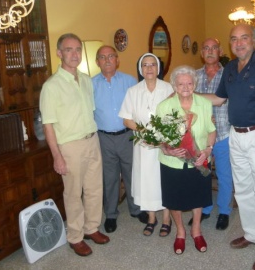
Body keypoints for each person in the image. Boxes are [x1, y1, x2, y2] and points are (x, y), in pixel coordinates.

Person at [203, 24, 255, 270]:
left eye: (244, 38)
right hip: (236, 135)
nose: (239, 43)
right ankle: (251, 234)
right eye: (234, 39)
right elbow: (218, 99)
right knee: (244, 190)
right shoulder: (229, 68)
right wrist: (186, 95)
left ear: (253, 40)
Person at [40, 33, 109, 257]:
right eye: (69, 50)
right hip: (69, 146)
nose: (74, 54)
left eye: (78, 49)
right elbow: (48, 125)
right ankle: (76, 237)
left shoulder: (86, 80)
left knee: (94, 189)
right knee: (73, 193)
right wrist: (56, 156)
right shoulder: (51, 86)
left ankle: (91, 228)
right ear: (59, 53)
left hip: (92, 140)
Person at [157, 65, 216, 255]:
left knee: (197, 196)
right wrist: (167, 150)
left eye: (189, 83)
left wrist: (207, 150)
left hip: (198, 161)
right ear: (174, 85)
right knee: (175, 198)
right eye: (180, 83)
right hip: (172, 163)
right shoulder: (164, 106)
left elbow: (211, 131)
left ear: (194, 84)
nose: (185, 87)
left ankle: (196, 229)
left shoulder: (204, 104)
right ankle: (180, 231)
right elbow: (159, 137)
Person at [92, 45, 148, 234]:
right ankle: (111, 214)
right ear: (97, 61)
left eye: (111, 56)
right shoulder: (91, 85)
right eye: (102, 57)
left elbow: (140, 108)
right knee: (109, 178)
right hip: (104, 138)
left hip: (127, 136)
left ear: (117, 60)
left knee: (132, 174)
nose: (107, 60)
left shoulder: (130, 81)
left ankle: (136, 209)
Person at [119, 53, 174, 237]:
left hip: (164, 143)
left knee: (164, 180)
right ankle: (151, 218)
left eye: (152, 64)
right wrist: (144, 132)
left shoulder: (169, 89)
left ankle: (166, 218)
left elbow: (176, 116)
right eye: (145, 65)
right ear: (140, 69)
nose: (149, 68)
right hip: (142, 144)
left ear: (158, 68)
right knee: (147, 181)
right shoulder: (133, 91)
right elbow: (126, 119)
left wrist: (162, 136)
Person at [192, 38, 233, 230]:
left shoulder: (230, 75)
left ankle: (224, 210)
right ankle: (205, 209)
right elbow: (187, 102)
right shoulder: (193, 76)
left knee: (225, 175)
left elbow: (230, 101)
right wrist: (205, 117)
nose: (210, 51)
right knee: (203, 174)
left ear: (220, 51)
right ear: (201, 53)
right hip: (200, 137)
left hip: (224, 133)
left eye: (214, 48)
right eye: (206, 48)